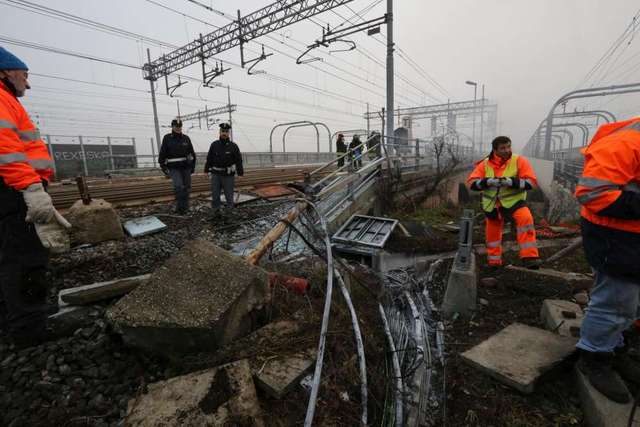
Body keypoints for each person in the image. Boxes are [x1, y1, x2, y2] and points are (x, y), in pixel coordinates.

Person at [0, 47, 68, 347]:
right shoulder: (2, 100)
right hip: (13, 190)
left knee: (8, 256)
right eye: (24, 76)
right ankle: (30, 327)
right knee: (26, 257)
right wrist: (31, 188)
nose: (27, 84)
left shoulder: (7, 101)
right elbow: (8, 152)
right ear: (5, 71)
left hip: (11, 188)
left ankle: (14, 317)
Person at [573, 117, 640, 404]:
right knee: (615, 300)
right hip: (618, 238)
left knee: (630, 302)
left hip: (630, 237)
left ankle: (614, 347)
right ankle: (594, 357)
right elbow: (593, 193)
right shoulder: (625, 142)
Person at [467, 136, 541, 269]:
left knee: (526, 219)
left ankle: (530, 258)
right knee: (492, 236)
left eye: (508, 146)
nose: (507, 150)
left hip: (515, 202)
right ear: (495, 150)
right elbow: (472, 183)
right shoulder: (484, 164)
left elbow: (531, 182)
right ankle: (494, 263)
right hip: (492, 205)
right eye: (503, 148)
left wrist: (512, 182)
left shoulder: (519, 161)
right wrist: (487, 182)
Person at [158, 118, 196, 214]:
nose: (178, 128)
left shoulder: (186, 138)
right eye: (176, 126)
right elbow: (162, 154)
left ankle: (185, 207)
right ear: (172, 126)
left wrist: (192, 167)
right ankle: (180, 208)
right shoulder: (167, 138)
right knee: (178, 186)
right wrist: (164, 168)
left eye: (180, 126)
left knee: (187, 187)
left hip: (186, 167)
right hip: (174, 167)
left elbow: (192, 153)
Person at [204, 123, 243, 211]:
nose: (224, 133)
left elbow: (238, 160)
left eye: (226, 131)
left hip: (228, 175)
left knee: (229, 194)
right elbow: (209, 158)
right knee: (215, 194)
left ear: (229, 133)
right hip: (215, 174)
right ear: (219, 132)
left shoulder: (233, 146)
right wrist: (206, 171)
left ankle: (230, 210)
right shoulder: (214, 145)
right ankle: (216, 210)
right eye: (222, 131)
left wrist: (240, 173)